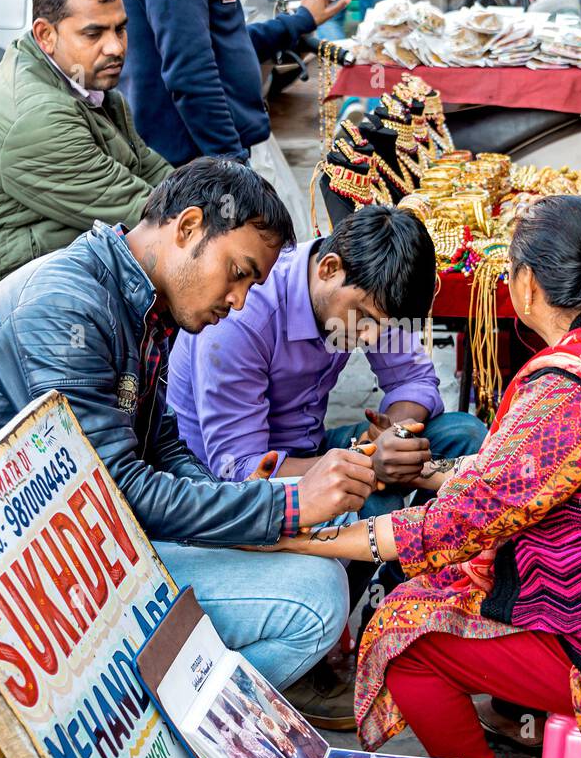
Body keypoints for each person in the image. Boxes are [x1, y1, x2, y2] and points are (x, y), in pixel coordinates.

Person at [251, 196, 581, 758]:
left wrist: (297, 539)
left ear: (527, 284)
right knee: (467, 564)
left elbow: (440, 529)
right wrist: (427, 473)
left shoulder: (567, 388)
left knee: (400, 633)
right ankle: (514, 713)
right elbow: (524, 476)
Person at [0, 160, 379, 708]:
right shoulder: (65, 308)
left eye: (252, 285)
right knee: (314, 599)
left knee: (318, 550)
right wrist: (283, 508)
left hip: (71, 550)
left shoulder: (140, 302)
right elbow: (119, 491)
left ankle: (171, 721)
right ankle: (150, 732)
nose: (239, 301)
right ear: (187, 228)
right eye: (238, 272)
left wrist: (244, 506)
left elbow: (163, 448)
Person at [167, 204, 488, 727]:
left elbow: (413, 382)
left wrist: (398, 436)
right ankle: (319, 660)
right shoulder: (245, 314)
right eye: (361, 320)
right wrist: (364, 464)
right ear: (329, 268)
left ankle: (396, 628)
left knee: (462, 440)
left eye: (378, 328)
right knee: (355, 491)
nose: (366, 339)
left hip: (309, 448)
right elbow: (241, 469)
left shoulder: (368, 291)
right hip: (228, 483)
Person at [0, 0, 174, 328]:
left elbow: (155, 173)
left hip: (39, 277)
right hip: (2, 311)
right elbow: (143, 213)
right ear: (45, 35)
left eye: (120, 29)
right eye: (94, 34)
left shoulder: (89, 86)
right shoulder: (37, 116)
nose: (115, 47)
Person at [111, 0, 349, 237]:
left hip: (215, 158)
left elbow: (218, 47)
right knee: (264, 273)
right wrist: (233, 170)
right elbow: (191, 76)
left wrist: (298, 22)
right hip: (201, 164)